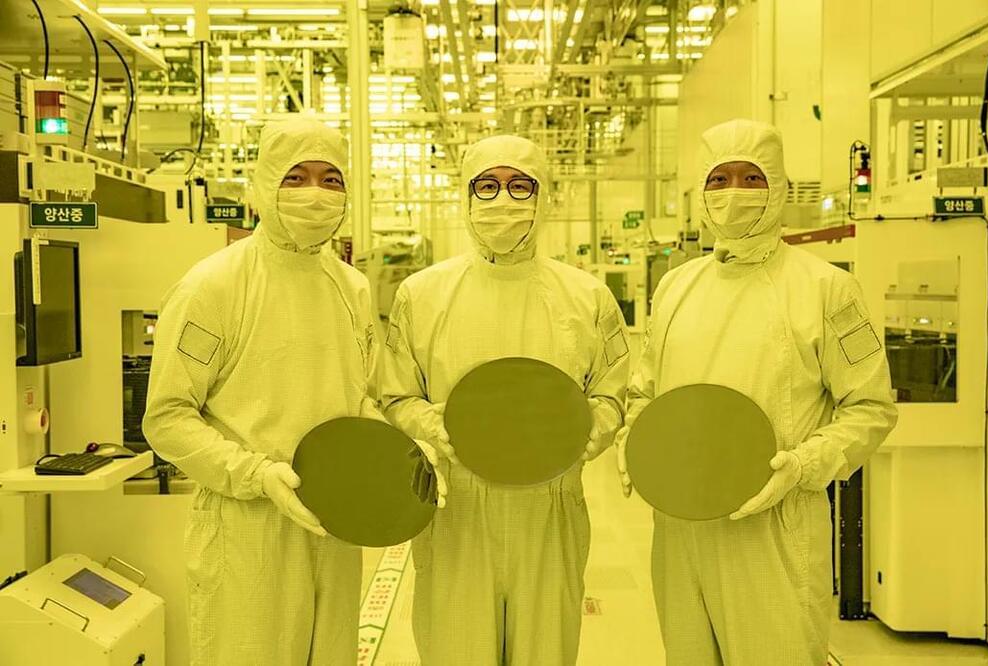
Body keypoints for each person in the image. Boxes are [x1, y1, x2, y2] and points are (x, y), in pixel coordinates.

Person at [616, 119, 898, 665]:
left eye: (751, 178)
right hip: (680, 529)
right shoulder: (676, 287)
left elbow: (871, 407)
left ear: (779, 187)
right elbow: (646, 390)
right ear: (701, 192)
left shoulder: (827, 288)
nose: (734, 193)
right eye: (719, 179)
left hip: (774, 530)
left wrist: (804, 465)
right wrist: (635, 436)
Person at [379, 135, 629, 665]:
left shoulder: (586, 297)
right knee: (455, 651)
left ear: (542, 197)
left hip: (552, 505)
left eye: (520, 186)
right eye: (487, 186)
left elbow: (612, 392)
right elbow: (395, 395)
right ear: (466, 196)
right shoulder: (422, 295)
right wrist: (430, 424)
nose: (503, 200)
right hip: (456, 507)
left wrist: (591, 428)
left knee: (547, 652)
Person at [143, 117, 377, 665]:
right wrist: (256, 474)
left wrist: (396, 446)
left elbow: (360, 395)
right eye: (296, 177)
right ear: (265, 184)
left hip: (334, 523)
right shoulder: (213, 286)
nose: (315, 194)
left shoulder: (352, 288)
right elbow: (168, 417)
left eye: (331, 179)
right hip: (247, 529)